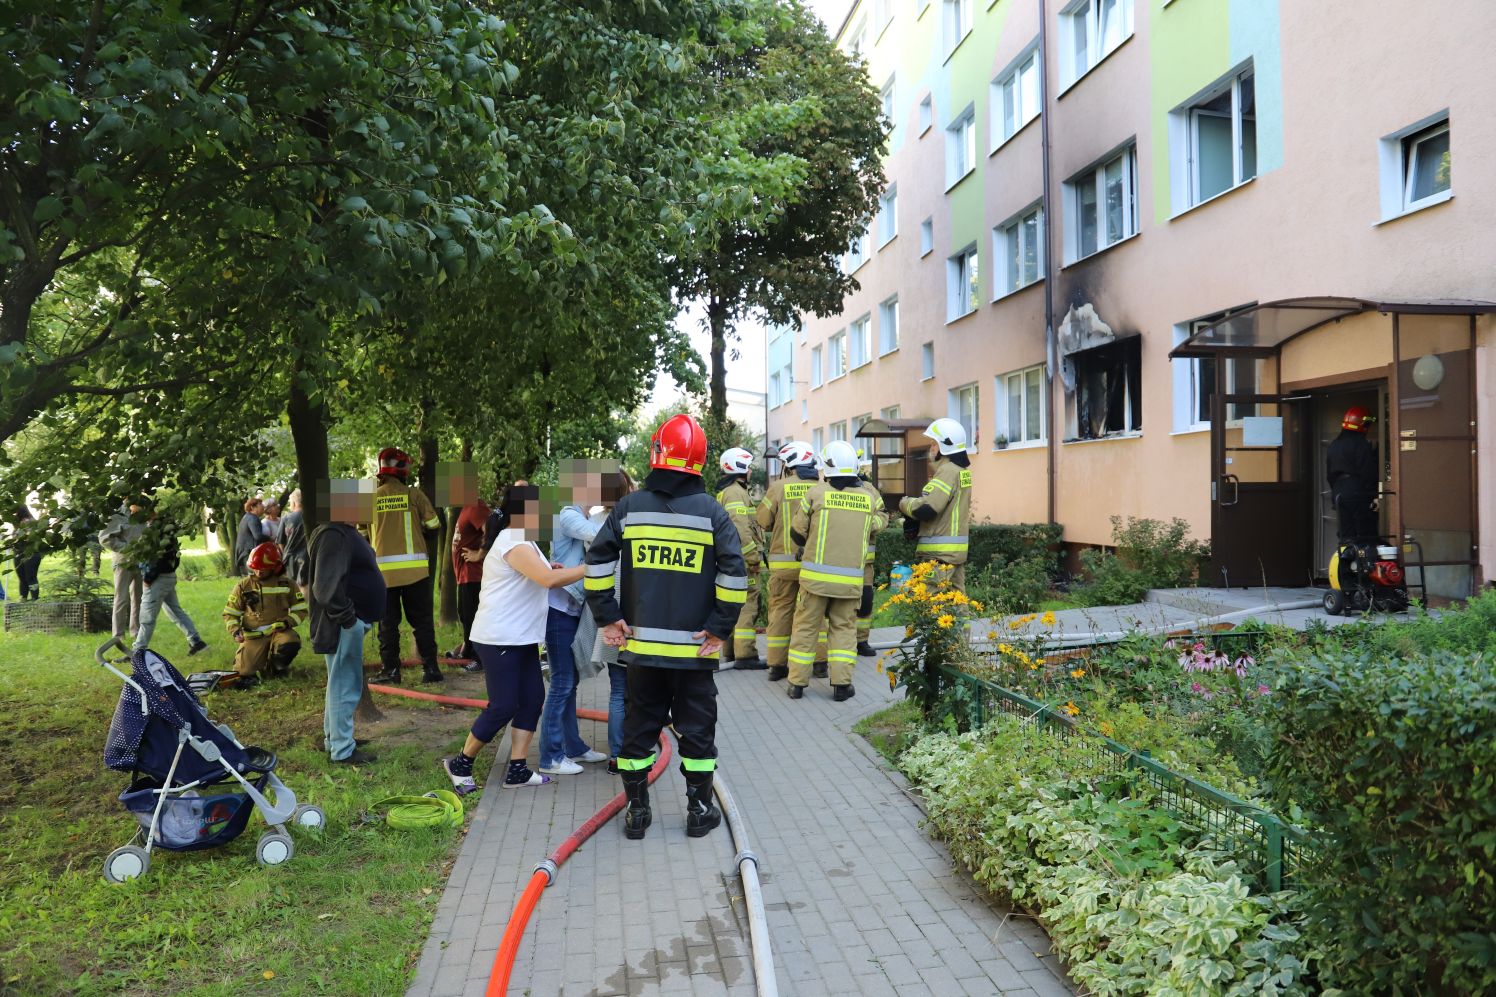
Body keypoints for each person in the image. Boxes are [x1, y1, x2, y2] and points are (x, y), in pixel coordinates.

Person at [585, 413, 747, 840]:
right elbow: (735, 573)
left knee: (638, 732)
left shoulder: (629, 507)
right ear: (700, 461)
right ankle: (698, 812)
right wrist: (718, 627)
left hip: (643, 652)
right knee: (698, 732)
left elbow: (598, 560)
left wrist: (608, 615)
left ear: (657, 454)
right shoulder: (713, 512)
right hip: (695, 654)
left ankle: (638, 815)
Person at [442, 488, 586, 794]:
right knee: (503, 705)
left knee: (533, 699)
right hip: (499, 636)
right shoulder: (512, 540)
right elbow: (547, 581)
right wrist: (588, 569)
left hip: (521, 636)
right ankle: (460, 764)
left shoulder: (525, 540)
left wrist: (553, 568)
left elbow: (541, 573)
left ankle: (518, 769)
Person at [786, 442, 879, 702]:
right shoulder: (868, 498)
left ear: (826, 466)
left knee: (806, 629)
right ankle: (841, 686)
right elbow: (877, 525)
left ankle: (796, 685)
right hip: (849, 583)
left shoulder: (815, 494)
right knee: (844, 631)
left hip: (814, 582)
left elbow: (796, 531)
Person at [537, 464, 611, 776]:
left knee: (570, 681)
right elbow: (598, 536)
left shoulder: (577, 516)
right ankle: (551, 757)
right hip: (558, 611)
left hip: (570, 609)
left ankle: (573, 747)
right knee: (562, 682)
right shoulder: (568, 515)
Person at [308, 494, 386, 765]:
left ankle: (336, 740)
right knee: (345, 686)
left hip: (346, 622)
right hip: (342, 624)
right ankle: (342, 750)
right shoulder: (334, 534)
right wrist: (349, 620)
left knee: (339, 684)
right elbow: (324, 588)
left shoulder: (342, 532)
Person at [368, 447, 443, 685]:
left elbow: (359, 533)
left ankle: (391, 671)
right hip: (416, 573)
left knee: (387, 625)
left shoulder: (369, 497)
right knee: (421, 622)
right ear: (404, 470)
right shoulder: (414, 495)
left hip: (382, 575)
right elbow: (433, 525)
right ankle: (431, 669)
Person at [755, 441, 823, 682]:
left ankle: (777, 666)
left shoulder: (778, 487)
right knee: (815, 613)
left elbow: (762, 520)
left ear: (790, 464)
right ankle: (820, 663)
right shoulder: (823, 487)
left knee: (781, 612)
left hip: (783, 565)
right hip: (814, 564)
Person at [899, 418, 974, 594]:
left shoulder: (947, 471)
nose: (931, 448)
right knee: (956, 601)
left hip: (939, 555)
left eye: (934, 444)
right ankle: (962, 623)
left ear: (944, 446)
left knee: (925, 602)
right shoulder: (962, 472)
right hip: (954, 553)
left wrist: (905, 503)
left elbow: (928, 508)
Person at [131, 507, 209, 657]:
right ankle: (196, 642)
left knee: (147, 616)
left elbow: (160, 558)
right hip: (167, 575)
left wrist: (148, 578)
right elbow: (174, 555)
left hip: (158, 578)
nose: (134, 517)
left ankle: (138, 651)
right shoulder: (164, 527)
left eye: (135, 513)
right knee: (174, 611)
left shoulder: (158, 530)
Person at [223, 541, 305, 680]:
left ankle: (276, 669)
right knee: (244, 673)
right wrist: (236, 631)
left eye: (263, 568)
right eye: (255, 568)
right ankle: (255, 662)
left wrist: (286, 622)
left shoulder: (287, 584)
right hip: (253, 635)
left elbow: (300, 610)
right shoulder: (244, 585)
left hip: (278, 632)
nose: (259, 572)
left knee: (290, 642)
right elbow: (230, 613)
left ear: (274, 567)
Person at [715, 447, 765, 670]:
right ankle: (745, 655)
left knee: (734, 603)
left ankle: (732, 652)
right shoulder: (736, 492)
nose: (752, 472)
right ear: (741, 469)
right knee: (748, 606)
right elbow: (741, 530)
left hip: (731, 558)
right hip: (743, 561)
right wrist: (753, 558)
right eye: (749, 468)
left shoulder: (728, 491)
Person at [448, 491, 493, 671]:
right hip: (464, 576)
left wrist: (479, 554)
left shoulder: (476, 506)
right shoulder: (466, 508)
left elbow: (490, 530)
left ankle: (479, 659)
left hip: (474, 575)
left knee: (474, 617)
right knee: (466, 616)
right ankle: (467, 652)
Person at [1328, 405, 1380, 543]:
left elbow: (1330, 475)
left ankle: (1346, 563)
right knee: (1365, 533)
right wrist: (1374, 495)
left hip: (1339, 492)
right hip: (1357, 491)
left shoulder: (1334, 444)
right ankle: (1365, 563)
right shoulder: (1360, 443)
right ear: (1362, 425)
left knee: (1346, 536)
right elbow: (1367, 471)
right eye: (1368, 424)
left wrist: (1336, 493)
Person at [854, 452, 888, 657]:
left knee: (865, 601)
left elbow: (883, 515)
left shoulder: (869, 489)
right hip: (839, 562)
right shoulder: (827, 489)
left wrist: (866, 526)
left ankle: (861, 640)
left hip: (864, 562)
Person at [99, 500, 145, 640]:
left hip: (142, 562)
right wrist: (127, 550)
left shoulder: (142, 512)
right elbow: (104, 538)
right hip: (123, 563)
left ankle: (136, 632)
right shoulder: (116, 516)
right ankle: (118, 635)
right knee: (122, 598)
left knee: (139, 598)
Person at [276, 489, 309, 588]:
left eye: (290, 502)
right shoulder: (313, 517)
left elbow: (280, 542)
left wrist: (284, 553)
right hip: (307, 557)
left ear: (294, 502)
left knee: (292, 586)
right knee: (305, 585)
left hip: (290, 558)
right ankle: (307, 603)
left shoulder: (286, 518)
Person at [13, 506, 43, 601]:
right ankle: (23, 598)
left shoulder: (30, 522)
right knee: (22, 579)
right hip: (18, 553)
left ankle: (35, 598)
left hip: (31, 554)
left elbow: (30, 537)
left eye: (15, 512)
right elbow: (14, 538)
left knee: (31, 577)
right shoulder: (17, 524)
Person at [234, 497, 267, 575]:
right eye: (260, 504)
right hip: (247, 553)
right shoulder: (253, 519)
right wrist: (271, 538)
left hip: (244, 553)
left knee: (251, 580)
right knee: (253, 579)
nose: (263, 506)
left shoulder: (247, 517)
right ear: (252, 507)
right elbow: (258, 536)